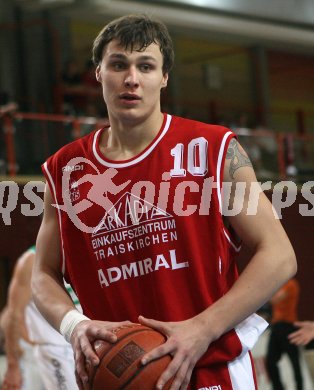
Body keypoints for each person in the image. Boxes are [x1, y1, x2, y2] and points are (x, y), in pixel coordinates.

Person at [32, 14, 297, 390]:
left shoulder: (212, 149)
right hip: (118, 375)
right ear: (98, 73)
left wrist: (202, 328)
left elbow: (280, 255)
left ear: (164, 77)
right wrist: (74, 325)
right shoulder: (64, 171)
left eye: (146, 66)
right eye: (118, 64)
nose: (131, 79)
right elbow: (43, 273)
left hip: (210, 370)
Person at [1, 246, 78, 390]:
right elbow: (12, 314)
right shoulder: (30, 260)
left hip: (80, 343)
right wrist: (13, 364)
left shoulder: (78, 251)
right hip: (52, 350)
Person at [266, 278, 303, 390]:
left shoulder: (290, 284)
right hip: (277, 326)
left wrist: (263, 291)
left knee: (294, 361)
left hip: (288, 326)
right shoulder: (278, 285)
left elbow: (275, 299)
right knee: (270, 361)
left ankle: (300, 387)